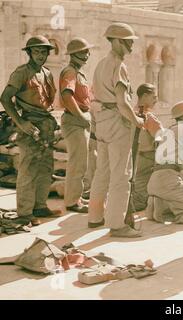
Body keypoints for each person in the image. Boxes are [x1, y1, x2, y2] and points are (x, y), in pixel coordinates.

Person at [87, 22, 161, 237]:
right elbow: (122, 102)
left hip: (102, 122)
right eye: (128, 42)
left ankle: (94, 217)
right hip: (117, 122)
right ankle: (117, 225)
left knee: (102, 172)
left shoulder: (101, 64)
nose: (130, 46)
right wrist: (137, 121)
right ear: (117, 41)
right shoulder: (118, 65)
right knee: (122, 175)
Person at [0, 35, 62, 226]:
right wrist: (20, 123)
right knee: (28, 170)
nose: (40, 55)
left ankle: (40, 206)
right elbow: (5, 98)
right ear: (29, 53)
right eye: (36, 51)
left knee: (45, 168)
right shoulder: (21, 73)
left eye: (44, 52)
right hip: (29, 125)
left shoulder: (47, 73)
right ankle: (25, 213)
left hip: (45, 125)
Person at [60, 37, 94, 213]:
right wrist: (81, 116)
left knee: (82, 163)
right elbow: (67, 96)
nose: (86, 55)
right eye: (82, 52)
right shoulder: (70, 72)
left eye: (87, 51)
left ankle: (76, 197)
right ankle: (72, 201)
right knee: (77, 163)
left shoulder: (79, 73)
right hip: (74, 120)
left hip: (80, 120)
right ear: (73, 55)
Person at [130, 83, 158, 213]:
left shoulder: (130, 112)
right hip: (147, 158)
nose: (156, 100)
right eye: (154, 97)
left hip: (134, 156)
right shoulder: (147, 116)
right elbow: (162, 136)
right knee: (140, 197)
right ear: (145, 96)